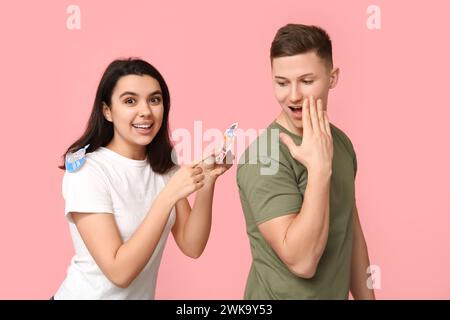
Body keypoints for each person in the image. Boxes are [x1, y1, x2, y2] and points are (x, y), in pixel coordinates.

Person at [54, 58, 232, 299]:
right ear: (107, 111)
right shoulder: (88, 172)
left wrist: (207, 181)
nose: (146, 111)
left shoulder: (164, 166)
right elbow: (119, 272)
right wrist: (167, 196)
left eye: (154, 100)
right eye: (130, 101)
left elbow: (192, 245)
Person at [236, 24, 375, 299]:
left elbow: (352, 235)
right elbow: (302, 262)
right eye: (282, 82)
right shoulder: (265, 157)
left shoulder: (340, 142)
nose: (294, 96)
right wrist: (320, 169)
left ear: (332, 78)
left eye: (307, 81)